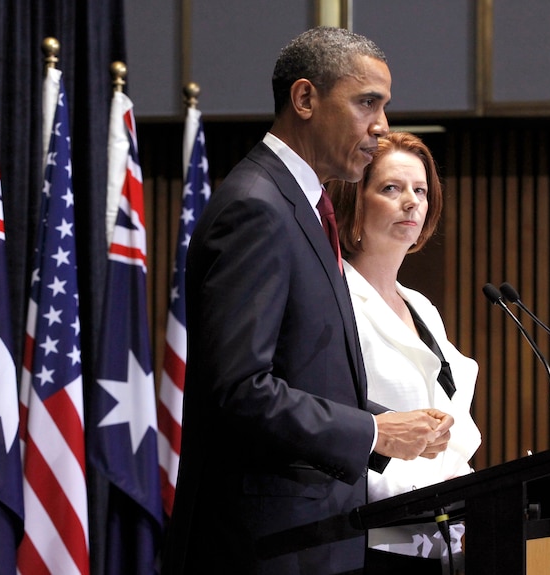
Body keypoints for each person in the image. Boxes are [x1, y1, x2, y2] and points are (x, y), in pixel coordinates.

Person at [161, 27, 454, 575]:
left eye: (384, 106)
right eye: (368, 103)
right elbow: (240, 390)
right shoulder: (257, 207)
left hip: (312, 543)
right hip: (265, 549)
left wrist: (388, 424)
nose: (381, 126)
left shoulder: (301, 203)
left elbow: (303, 378)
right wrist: (374, 432)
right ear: (304, 99)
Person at [327, 131, 481, 574]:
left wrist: (459, 485)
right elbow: (339, 420)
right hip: (369, 539)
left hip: (438, 532)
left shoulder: (421, 307)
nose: (411, 202)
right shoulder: (336, 300)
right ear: (356, 201)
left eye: (421, 190)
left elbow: (452, 418)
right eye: (391, 189)